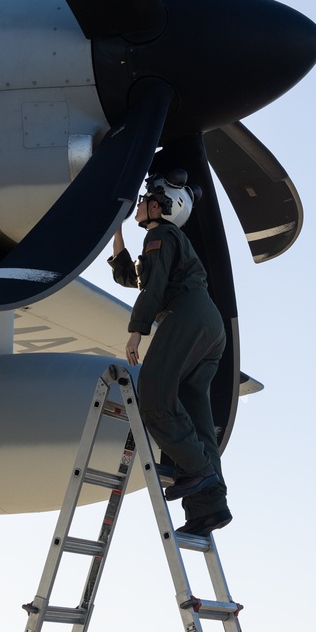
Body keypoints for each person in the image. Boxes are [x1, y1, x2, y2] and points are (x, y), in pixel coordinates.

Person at [108, 172, 232, 535]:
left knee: (154, 395)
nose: (141, 203)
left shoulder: (160, 235)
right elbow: (137, 278)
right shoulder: (165, 241)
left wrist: (136, 332)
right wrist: (116, 231)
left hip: (187, 314)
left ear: (163, 206)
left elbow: (154, 287)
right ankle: (208, 510)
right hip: (209, 325)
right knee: (195, 414)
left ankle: (198, 471)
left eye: (146, 198)